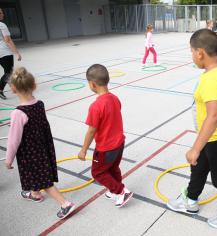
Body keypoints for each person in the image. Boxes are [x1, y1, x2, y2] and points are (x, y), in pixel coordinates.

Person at [166, 29, 217, 229]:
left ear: (200, 53)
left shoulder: (210, 79)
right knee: (198, 168)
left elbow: (214, 115)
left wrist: (195, 148)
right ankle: (190, 200)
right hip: (212, 137)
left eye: (192, 52)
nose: (192, 56)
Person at [4, 67, 75, 219]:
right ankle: (35, 194)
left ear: (13, 89)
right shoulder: (40, 104)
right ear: (33, 86)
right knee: (38, 174)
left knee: (44, 181)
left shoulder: (18, 113)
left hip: (30, 152)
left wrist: (8, 160)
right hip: (43, 147)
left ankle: (65, 204)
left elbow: (13, 140)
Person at [78, 64, 133, 208]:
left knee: (98, 172)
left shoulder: (96, 106)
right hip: (119, 144)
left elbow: (91, 131)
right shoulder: (114, 98)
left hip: (105, 148)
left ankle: (121, 191)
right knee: (113, 168)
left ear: (92, 84)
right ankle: (114, 189)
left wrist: (83, 150)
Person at [0, 8, 22, 100]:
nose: (3, 14)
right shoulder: (2, 25)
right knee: (8, 72)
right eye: (0, 13)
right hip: (4, 51)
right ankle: (0, 89)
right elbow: (8, 40)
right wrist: (17, 52)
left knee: (7, 71)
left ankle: (13, 87)